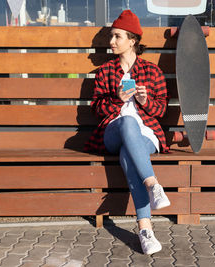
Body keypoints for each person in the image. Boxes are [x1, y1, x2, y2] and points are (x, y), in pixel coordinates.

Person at [85, 10, 170, 255]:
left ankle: (146, 230)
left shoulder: (152, 72)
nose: (111, 42)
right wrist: (116, 99)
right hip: (113, 129)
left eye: (117, 36)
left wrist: (145, 101)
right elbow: (97, 110)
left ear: (132, 40)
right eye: (112, 37)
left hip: (146, 133)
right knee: (127, 122)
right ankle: (152, 183)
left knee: (128, 154)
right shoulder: (105, 72)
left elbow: (161, 110)